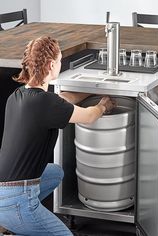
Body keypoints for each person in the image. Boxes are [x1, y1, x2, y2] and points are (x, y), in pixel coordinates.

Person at [0, 36, 116, 236]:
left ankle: (9, 225)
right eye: (60, 61)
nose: (60, 65)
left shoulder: (17, 96)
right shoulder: (47, 104)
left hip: (2, 189)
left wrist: (88, 92)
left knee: (55, 172)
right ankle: (15, 221)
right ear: (51, 64)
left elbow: (62, 100)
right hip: (18, 199)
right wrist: (103, 105)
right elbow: (88, 117)